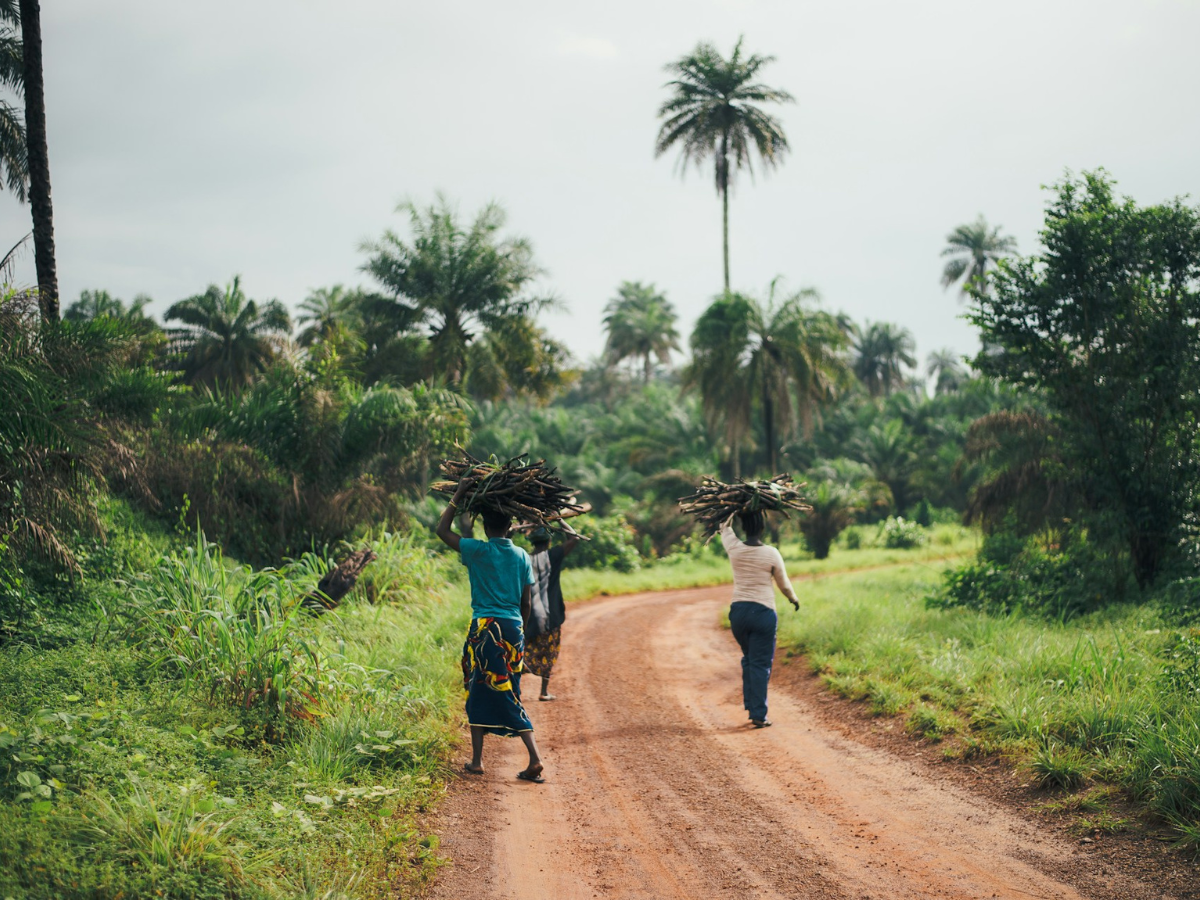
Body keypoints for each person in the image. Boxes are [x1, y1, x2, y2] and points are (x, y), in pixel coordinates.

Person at [436, 480, 545, 783]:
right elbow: (526, 602)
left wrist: (457, 495)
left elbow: (441, 531)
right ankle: (476, 761)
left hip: (485, 629)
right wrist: (519, 631)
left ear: (485, 527)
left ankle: (534, 758)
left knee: (488, 690)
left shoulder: (477, 551)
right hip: (513, 629)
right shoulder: (522, 556)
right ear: (511, 525)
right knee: (497, 689)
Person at [720, 509, 800, 728]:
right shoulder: (771, 553)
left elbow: (723, 527)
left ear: (744, 527)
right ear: (762, 528)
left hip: (739, 614)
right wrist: (793, 599)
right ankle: (758, 713)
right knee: (760, 664)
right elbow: (783, 584)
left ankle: (751, 705)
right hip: (763, 614)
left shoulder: (734, 548)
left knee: (749, 658)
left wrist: (733, 509)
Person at [525, 525, 581, 701]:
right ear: (549, 541)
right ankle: (543, 691)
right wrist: (561, 520)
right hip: (550, 614)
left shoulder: (524, 558)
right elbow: (574, 539)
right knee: (549, 650)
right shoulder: (553, 555)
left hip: (528, 614)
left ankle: (515, 688)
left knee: (525, 648)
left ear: (532, 542)